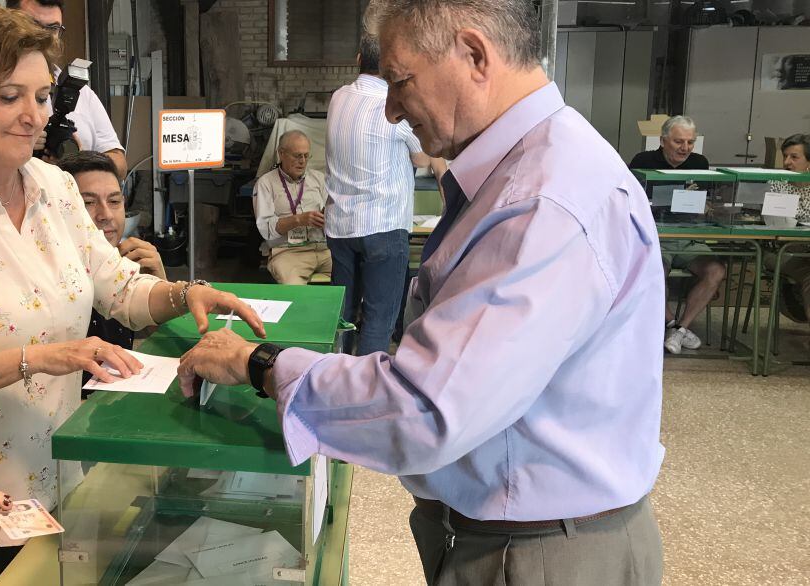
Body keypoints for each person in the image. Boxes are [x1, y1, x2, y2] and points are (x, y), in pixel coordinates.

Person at [177, 0, 665, 583]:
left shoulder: (539, 203)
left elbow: (425, 408)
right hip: (523, 535)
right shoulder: (533, 166)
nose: (390, 110)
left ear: (474, 54)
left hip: (539, 554)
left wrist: (262, 365)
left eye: (398, 81)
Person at [0, 4, 262, 585]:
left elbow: (117, 286)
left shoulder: (53, 186)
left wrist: (186, 292)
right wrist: (38, 358)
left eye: (42, 96)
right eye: (9, 96)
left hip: (45, 482)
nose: (33, 116)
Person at [324, 34, 446, 355]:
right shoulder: (394, 105)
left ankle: (334, 383)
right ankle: (363, 396)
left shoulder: (338, 98)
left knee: (342, 318)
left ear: (357, 59)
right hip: (383, 227)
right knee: (379, 318)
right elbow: (423, 156)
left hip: (339, 228)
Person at [0, 0, 128, 177]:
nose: (35, 119)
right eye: (10, 97)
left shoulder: (79, 91)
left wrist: (81, 162)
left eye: (42, 98)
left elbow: (118, 160)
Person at [58, 150, 164, 385]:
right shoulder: (51, 278)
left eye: (114, 201)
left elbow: (151, 334)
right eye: (88, 203)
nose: (105, 214)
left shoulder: (127, 264)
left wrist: (159, 282)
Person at [630, 115, 726, 354]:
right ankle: (670, 323)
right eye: (678, 142)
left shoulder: (700, 163)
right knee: (655, 270)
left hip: (687, 236)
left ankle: (681, 329)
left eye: (690, 142)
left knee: (716, 270)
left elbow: (703, 202)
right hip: (655, 237)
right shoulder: (643, 161)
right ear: (663, 141)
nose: (685, 148)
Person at [254, 130, 332, 285]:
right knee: (292, 288)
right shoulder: (265, 183)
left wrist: (328, 217)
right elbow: (265, 229)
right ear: (281, 154)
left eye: (306, 155)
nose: (302, 161)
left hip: (324, 249)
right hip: (288, 252)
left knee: (356, 275)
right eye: (297, 156)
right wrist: (298, 220)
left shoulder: (319, 179)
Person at [765, 134, 810, 322]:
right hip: (783, 251)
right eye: (785, 156)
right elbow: (772, 223)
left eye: (794, 157)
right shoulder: (776, 184)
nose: (786, 162)